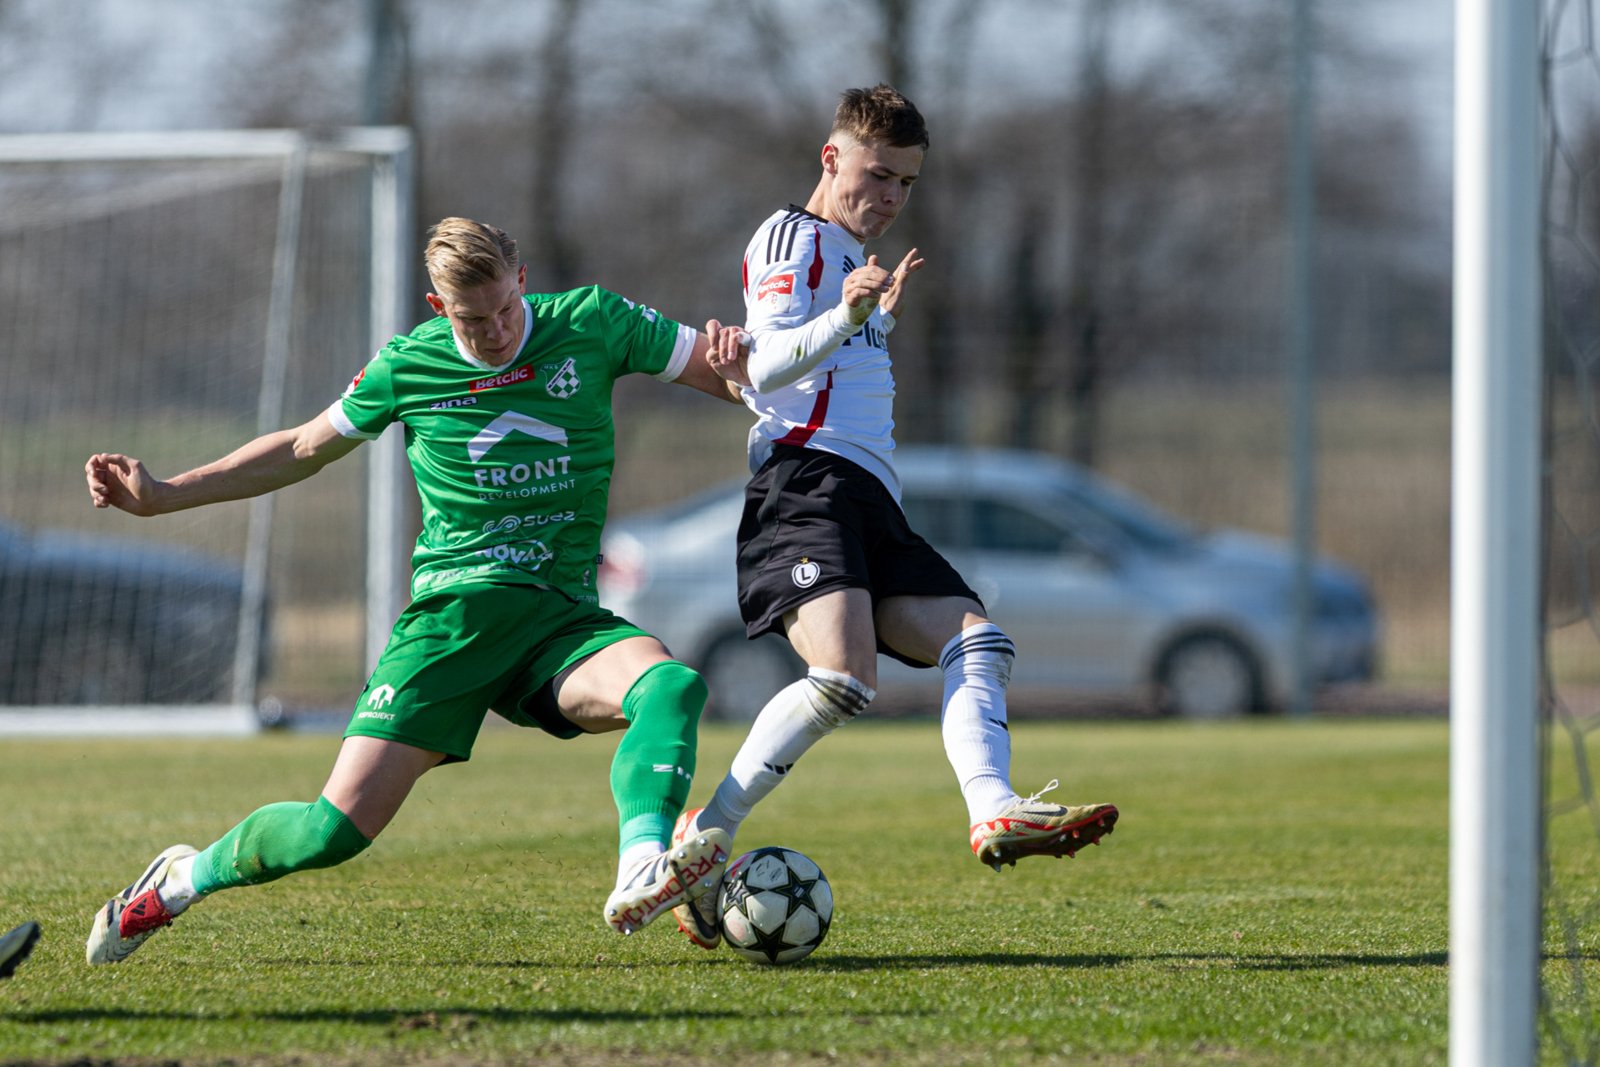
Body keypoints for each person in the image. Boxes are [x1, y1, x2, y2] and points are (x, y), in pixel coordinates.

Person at [83, 216, 744, 965]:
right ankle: (177, 879)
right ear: (438, 309)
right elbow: (302, 447)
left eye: (505, 308)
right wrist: (166, 494)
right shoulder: (408, 365)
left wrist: (803, 365)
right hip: (451, 623)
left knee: (671, 685)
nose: (496, 330)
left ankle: (641, 869)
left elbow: (728, 375)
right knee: (329, 833)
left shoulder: (593, 320)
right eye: (472, 319)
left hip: (559, 620)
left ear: (522, 281)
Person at [675, 86, 1119, 949]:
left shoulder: (851, 262)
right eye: (876, 174)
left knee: (978, 638)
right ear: (829, 158)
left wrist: (867, 319)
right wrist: (848, 313)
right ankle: (705, 831)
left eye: (906, 185)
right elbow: (766, 367)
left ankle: (994, 811)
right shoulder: (792, 237)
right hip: (806, 489)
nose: (888, 198)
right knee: (845, 680)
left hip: (871, 497)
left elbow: (807, 372)